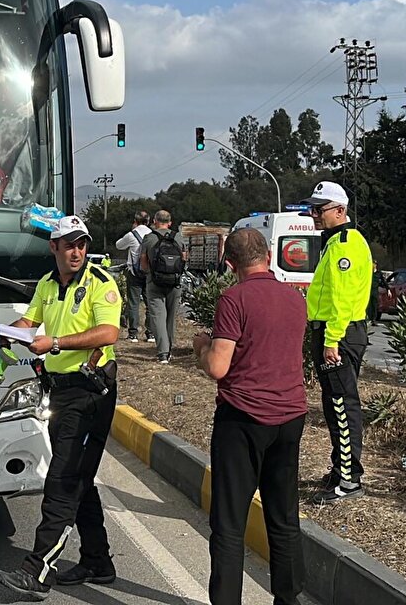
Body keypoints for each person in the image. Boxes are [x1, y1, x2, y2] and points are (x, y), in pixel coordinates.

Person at [0, 215, 121, 601]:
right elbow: (29, 320)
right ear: (54, 248)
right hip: (61, 393)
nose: (77, 252)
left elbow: (109, 333)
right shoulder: (48, 284)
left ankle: (38, 570)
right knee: (79, 477)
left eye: (82, 244)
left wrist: (56, 343)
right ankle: (97, 560)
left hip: (90, 393)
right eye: (69, 245)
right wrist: (4, 335)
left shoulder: (100, 282)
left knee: (63, 480)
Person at [193, 228, 308, 605]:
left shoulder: (233, 299)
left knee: (229, 523)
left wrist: (201, 347)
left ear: (230, 264)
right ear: (269, 257)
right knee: (283, 517)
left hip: (242, 418)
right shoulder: (295, 299)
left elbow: (218, 366)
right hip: (289, 417)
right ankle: (288, 598)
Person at [303, 181, 373, 504]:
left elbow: (342, 300)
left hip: (340, 335)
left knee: (343, 405)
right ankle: (340, 468)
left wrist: (331, 340)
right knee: (334, 404)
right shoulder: (334, 242)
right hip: (333, 332)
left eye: (320, 209)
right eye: (312, 209)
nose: (314, 215)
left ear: (340, 210)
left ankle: (349, 478)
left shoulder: (345, 245)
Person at [140, 210, 188, 364]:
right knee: (171, 317)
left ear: (155, 221)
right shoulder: (178, 237)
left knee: (158, 316)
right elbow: (184, 258)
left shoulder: (149, 238)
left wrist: (149, 273)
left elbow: (143, 261)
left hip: (154, 282)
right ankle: (170, 349)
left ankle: (163, 353)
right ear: (170, 222)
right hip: (175, 281)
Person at [115, 211, 154, 343]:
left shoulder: (132, 235)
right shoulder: (153, 235)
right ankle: (150, 334)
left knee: (133, 303)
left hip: (134, 272)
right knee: (150, 304)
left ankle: (133, 334)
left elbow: (118, 245)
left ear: (135, 221)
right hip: (149, 273)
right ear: (148, 221)